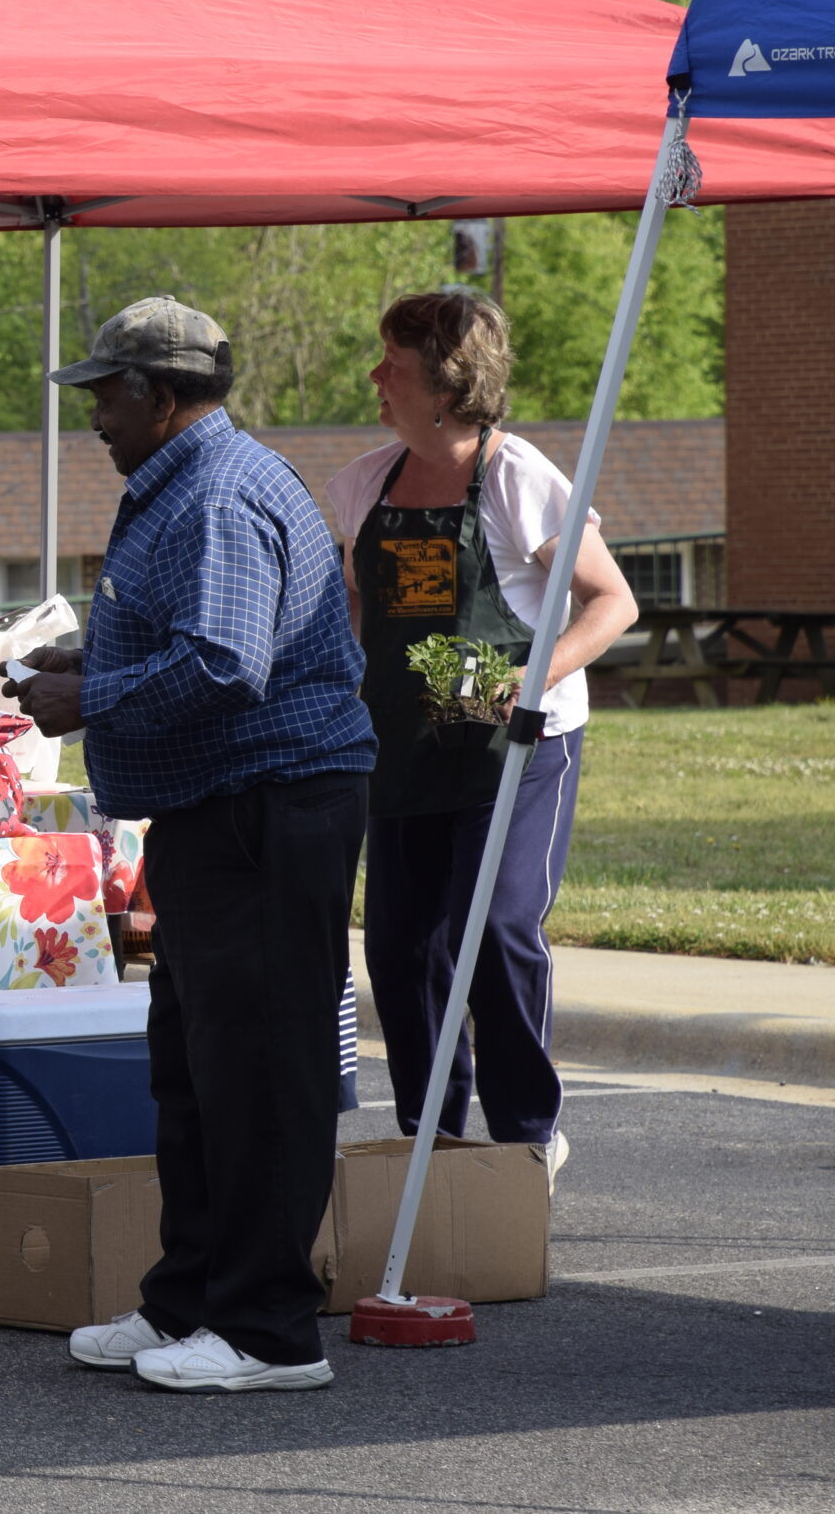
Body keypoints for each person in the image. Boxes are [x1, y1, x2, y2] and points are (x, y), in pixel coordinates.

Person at [4, 296, 374, 1394]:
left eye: (107, 396)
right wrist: (89, 653)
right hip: (228, 809)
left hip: (269, 804)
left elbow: (224, 665)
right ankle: (192, 1303)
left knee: (260, 1072)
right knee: (198, 1069)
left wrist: (88, 699)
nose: (95, 419)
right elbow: (202, 637)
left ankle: (267, 1334)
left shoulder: (212, 496)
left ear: (162, 399)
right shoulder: (191, 482)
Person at [327, 293, 635, 1178]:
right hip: (407, 745)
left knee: (492, 927)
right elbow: (352, 607)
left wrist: (532, 680)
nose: (376, 376)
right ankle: (436, 1142)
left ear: (446, 385)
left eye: (394, 362)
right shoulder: (360, 485)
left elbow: (613, 600)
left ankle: (528, 1136)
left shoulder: (518, 480)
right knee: (399, 944)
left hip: (519, 750)